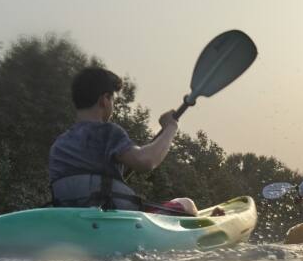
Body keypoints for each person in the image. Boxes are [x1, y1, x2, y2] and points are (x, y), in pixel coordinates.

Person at [48, 66, 197, 215]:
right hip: (112, 222)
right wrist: (170, 127)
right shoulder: (107, 132)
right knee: (186, 204)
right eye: (112, 99)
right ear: (105, 100)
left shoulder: (59, 145)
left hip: (73, 223)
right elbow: (146, 161)